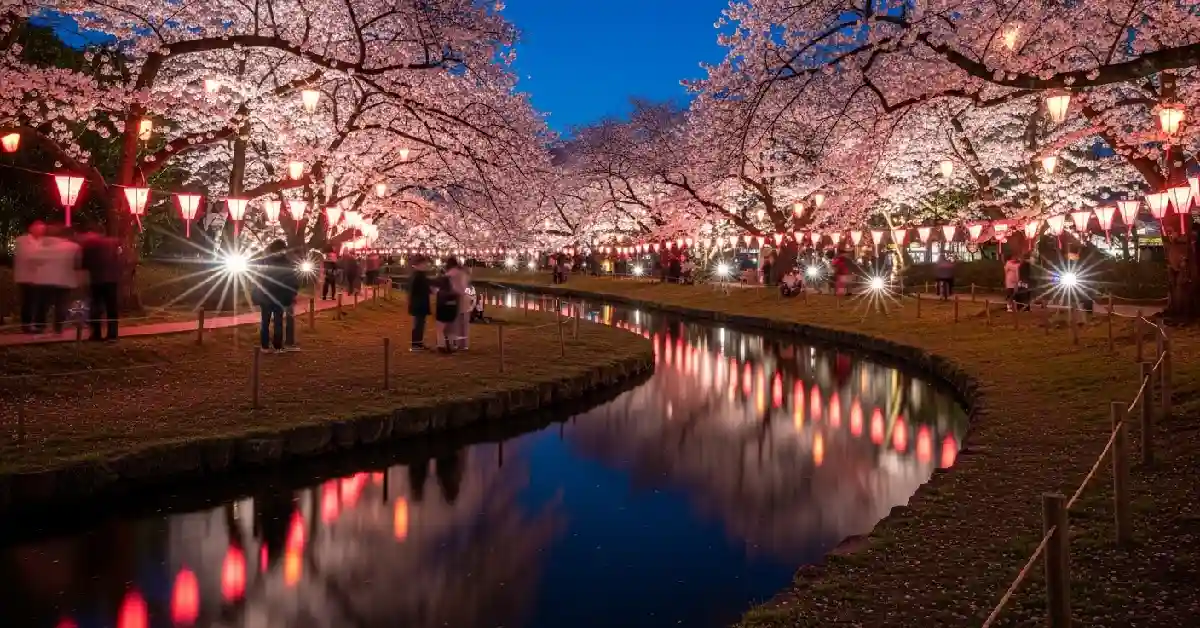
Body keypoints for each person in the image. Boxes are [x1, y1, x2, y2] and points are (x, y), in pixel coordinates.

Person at [253, 240, 298, 353]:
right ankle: (274, 346)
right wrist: (291, 294)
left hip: (270, 297)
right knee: (274, 322)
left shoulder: (265, 262)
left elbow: (258, 279)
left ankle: (268, 346)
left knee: (269, 322)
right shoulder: (286, 263)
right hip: (277, 298)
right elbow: (293, 282)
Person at [78, 222, 121, 341]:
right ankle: (112, 335)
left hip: (97, 280)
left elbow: (84, 264)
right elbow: (120, 259)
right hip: (112, 280)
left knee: (96, 307)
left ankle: (96, 334)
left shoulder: (89, 245)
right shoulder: (113, 243)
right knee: (111, 308)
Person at [37, 225, 82, 335]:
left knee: (45, 303)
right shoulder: (74, 247)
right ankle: (58, 328)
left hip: (48, 278)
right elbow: (78, 264)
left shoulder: (49, 245)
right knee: (62, 304)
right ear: (71, 235)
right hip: (65, 280)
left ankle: (40, 326)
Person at [13, 220, 46, 333]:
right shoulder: (22, 241)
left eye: (42, 230)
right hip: (26, 276)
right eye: (39, 229)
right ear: (31, 228)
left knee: (36, 301)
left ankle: (36, 324)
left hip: (39, 276)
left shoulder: (42, 241)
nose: (41, 232)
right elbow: (27, 257)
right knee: (29, 301)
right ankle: (27, 325)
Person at [446, 257, 471, 350]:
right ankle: (464, 344)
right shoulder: (462, 273)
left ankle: (455, 343)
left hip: (453, 300)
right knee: (464, 324)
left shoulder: (448, 274)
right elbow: (465, 284)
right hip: (464, 299)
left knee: (454, 324)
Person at [407, 255, 432, 351]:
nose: (425, 265)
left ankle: (419, 343)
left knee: (421, 324)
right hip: (418, 304)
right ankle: (415, 345)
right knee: (418, 325)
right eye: (424, 263)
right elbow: (413, 291)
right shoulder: (417, 275)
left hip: (421, 303)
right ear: (419, 264)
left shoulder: (420, 275)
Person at [433, 273, 460, 353]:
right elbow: (456, 304)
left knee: (440, 330)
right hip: (451, 314)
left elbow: (439, 305)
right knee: (450, 331)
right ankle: (452, 346)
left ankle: (441, 346)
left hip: (442, 314)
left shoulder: (440, 293)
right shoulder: (454, 293)